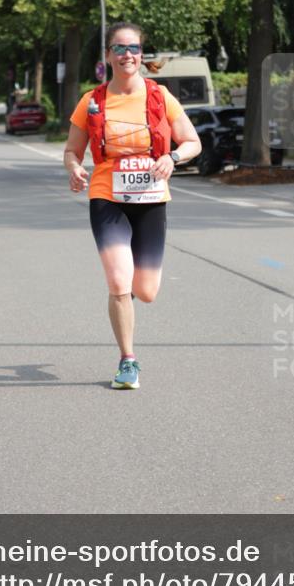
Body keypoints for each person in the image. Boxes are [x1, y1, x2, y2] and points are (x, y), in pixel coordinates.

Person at [64, 22, 201, 390]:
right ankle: (128, 360)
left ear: (142, 54)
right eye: (119, 48)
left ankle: (131, 308)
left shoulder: (160, 97)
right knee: (118, 281)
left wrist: (172, 157)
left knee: (146, 291)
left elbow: (193, 142)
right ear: (108, 56)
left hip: (151, 198)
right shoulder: (92, 100)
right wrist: (76, 169)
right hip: (107, 195)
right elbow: (71, 151)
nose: (127, 55)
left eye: (134, 48)